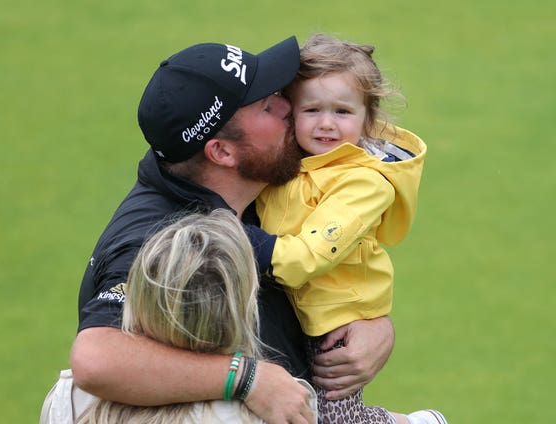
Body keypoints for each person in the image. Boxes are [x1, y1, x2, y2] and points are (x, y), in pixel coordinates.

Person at [70, 36, 396, 424]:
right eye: (266, 105)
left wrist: (374, 324)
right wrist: (247, 379)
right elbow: (95, 359)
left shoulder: (256, 183)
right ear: (222, 152)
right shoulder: (162, 240)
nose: (288, 105)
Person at [256, 34, 447, 423]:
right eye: (311, 110)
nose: (326, 124)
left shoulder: (365, 184)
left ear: (367, 119)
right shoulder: (292, 162)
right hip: (298, 310)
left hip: (338, 320)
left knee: (335, 419)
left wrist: (238, 239)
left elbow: (304, 259)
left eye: (342, 112)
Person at [79, 210, 317, 423]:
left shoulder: (70, 397)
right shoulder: (284, 401)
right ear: (243, 306)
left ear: (141, 300)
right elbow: (92, 361)